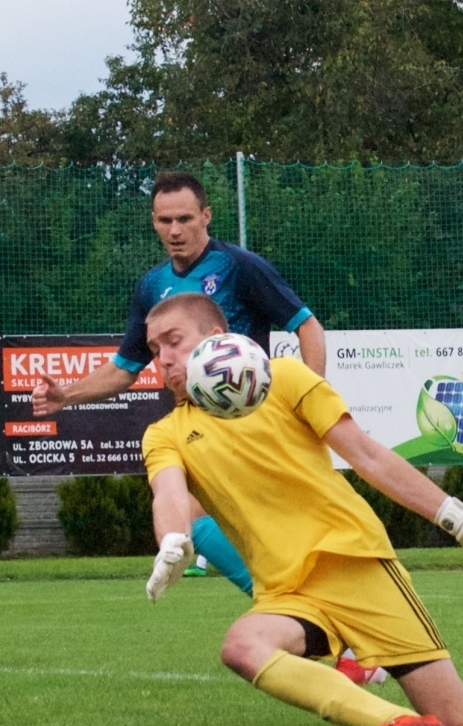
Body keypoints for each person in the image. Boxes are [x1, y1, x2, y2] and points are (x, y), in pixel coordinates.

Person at [141, 292, 463, 726]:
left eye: (173, 342)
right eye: (155, 350)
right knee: (242, 645)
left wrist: (460, 522)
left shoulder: (287, 378)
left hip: (357, 565)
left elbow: (366, 454)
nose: (163, 359)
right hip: (286, 594)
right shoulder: (164, 434)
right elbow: (170, 494)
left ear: (216, 339)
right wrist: (174, 539)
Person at [32, 171, 324, 598]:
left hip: (249, 419)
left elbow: (308, 327)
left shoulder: (238, 267)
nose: (175, 230)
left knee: (277, 533)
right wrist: (66, 395)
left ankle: (299, 611)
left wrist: (308, 400)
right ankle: (289, 607)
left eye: (185, 218)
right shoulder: (152, 286)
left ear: (206, 216)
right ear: (153, 221)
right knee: (187, 507)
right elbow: (126, 366)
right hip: (195, 424)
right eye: (165, 220)